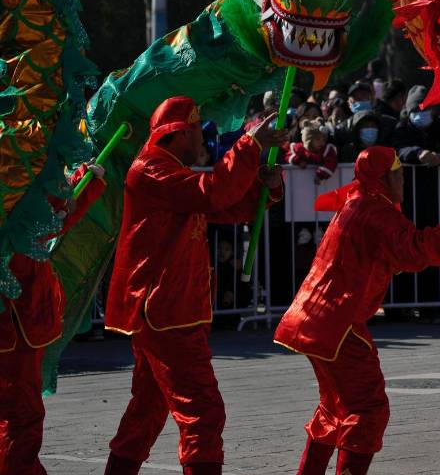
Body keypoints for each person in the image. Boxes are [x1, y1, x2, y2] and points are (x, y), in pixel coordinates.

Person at [274, 146, 440, 475]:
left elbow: (392, 255)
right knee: (368, 408)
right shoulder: (375, 209)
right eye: (399, 172)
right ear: (383, 177)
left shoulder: (358, 202)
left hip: (316, 318)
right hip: (339, 322)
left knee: (335, 406)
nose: (404, 178)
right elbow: (419, 251)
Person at [102, 96, 288, 475]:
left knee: (147, 410)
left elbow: (226, 205)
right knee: (202, 411)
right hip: (164, 310)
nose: (203, 140)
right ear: (177, 133)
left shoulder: (169, 170)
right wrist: (251, 145)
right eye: (196, 132)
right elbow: (211, 193)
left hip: (172, 309)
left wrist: (264, 188)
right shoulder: (150, 169)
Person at [0, 164, 104, 474]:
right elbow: (39, 224)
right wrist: (79, 187)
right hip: (14, 320)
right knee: (20, 418)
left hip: (18, 316)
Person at [391, 85, 440, 169]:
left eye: (425, 108)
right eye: (416, 110)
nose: (421, 112)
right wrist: (418, 153)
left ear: (433, 109)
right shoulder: (402, 128)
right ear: (409, 112)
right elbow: (398, 148)